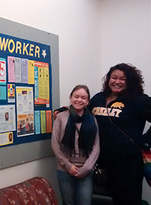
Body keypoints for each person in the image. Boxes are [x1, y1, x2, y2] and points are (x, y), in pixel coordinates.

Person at [54, 63, 151, 205]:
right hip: (101, 164)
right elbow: (82, 109)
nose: (117, 82)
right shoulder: (99, 98)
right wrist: (63, 110)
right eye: (114, 77)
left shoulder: (138, 100)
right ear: (108, 79)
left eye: (122, 79)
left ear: (130, 81)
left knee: (127, 201)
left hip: (128, 166)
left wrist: (146, 141)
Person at [51, 84, 100, 205]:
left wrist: (86, 168)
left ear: (88, 101)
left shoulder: (92, 119)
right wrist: (68, 166)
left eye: (83, 97)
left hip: (86, 171)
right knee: (68, 203)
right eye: (76, 96)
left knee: (85, 202)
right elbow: (55, 144)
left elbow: (96, 146)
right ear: (71, 98)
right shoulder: (61, 117)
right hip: (64, 170)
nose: (79, 100)